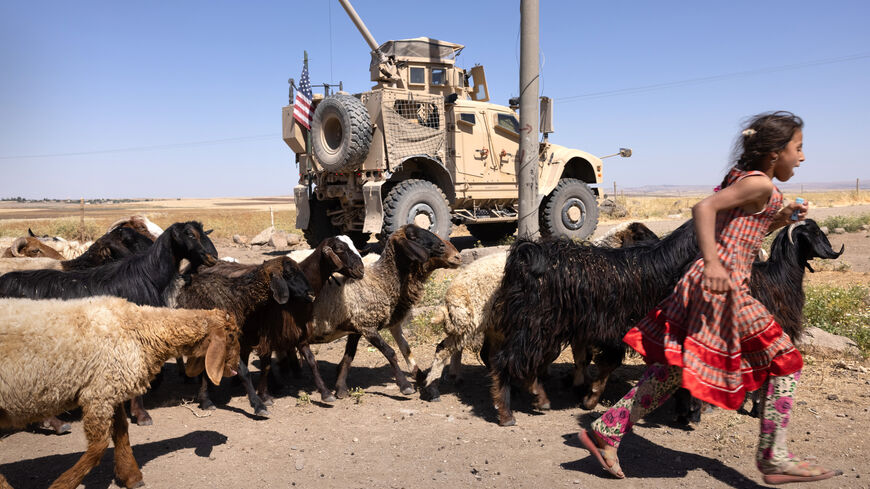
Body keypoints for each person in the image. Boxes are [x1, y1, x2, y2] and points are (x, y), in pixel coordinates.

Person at [578, 111, 841, 484]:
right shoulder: (760, 184)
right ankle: (774, 457)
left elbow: (741, 226)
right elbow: (704, 209)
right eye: (798, 148)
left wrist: (781, 217)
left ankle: (607, 429)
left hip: (709, 285)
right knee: (785, 358)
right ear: (773, 153)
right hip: (722, 288)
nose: (802, 157)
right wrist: (715, 263)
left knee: (676, 369)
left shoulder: (748, 180)